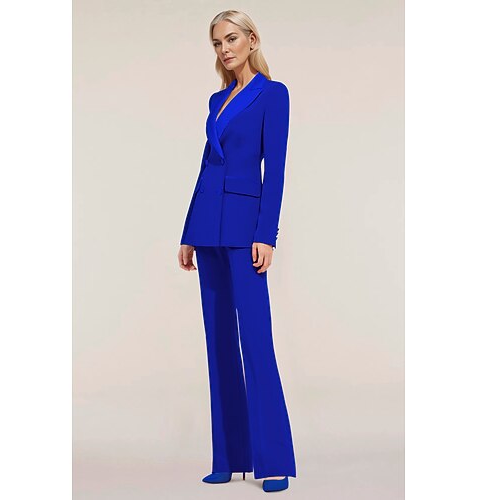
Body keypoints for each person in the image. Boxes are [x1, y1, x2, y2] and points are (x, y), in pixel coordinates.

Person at [177, 10, 296, 493]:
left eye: (230, 39)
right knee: (219, 343)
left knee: (256, 342)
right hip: (208, 228)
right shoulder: (216, 100)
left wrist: (267, 234)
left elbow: (276, 169)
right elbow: (207, 166)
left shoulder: (273, 94)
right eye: (216, 43)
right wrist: (189, 231)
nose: (224, 49)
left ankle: (273, 462)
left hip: (246, 230)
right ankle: (229, 456)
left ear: (252, 40)